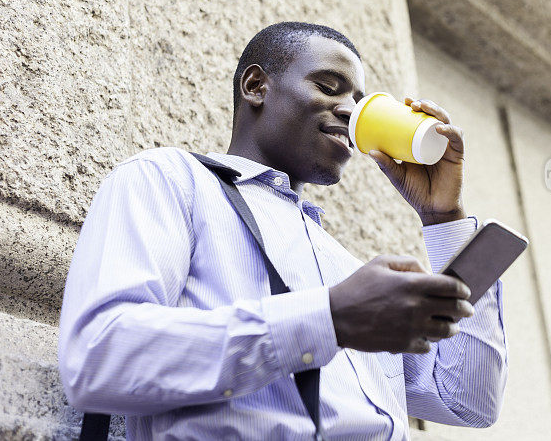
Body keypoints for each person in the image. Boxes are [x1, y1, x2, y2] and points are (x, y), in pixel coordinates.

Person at [58, 22, 508, 439]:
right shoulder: (170, 179)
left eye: (361, 101)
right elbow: (98, 358)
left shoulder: (346, 268)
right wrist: (330, 318)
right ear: (256, 87)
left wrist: (444, 219)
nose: (352, 113)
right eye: (328, 87)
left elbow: (467, 400)